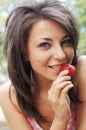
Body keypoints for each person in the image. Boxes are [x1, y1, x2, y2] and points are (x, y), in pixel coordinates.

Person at [0, 0, 86, 130]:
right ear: (24, 52)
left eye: (66, 42)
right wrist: (61, 119)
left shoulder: (83, 71)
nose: (61, 55)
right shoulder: (10, 96)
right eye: (45, 44)